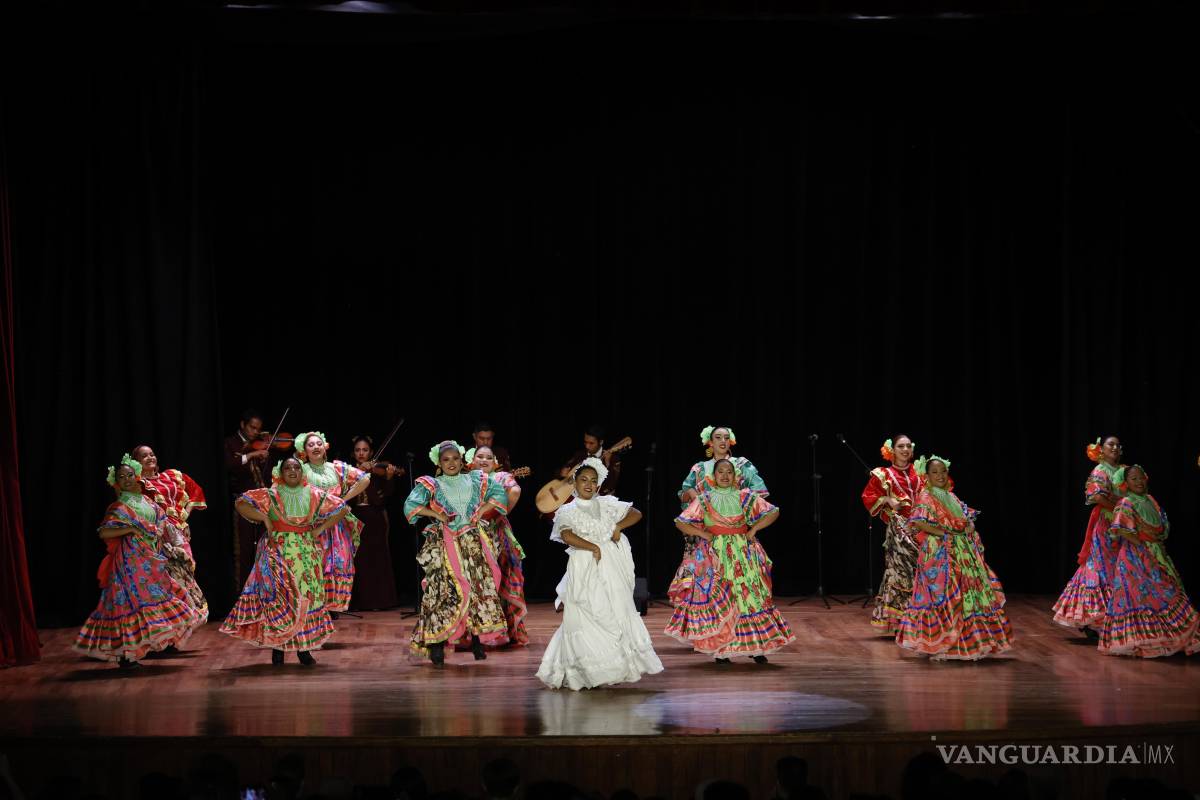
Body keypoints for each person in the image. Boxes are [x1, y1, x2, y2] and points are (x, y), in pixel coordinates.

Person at [536, 457, 663, 689]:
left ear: (598, 484)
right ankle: (585, 671)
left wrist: (618, 526)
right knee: (588, 613)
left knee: (615, 611)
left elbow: (636, 513)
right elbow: (566, 535)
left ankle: (613, 668)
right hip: (585, 564)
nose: (588, 484)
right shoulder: (567, 510)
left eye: (593, 481)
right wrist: (591, 546)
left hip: (611, 565)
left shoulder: (607, 503)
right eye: (583, 480)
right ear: (574, 483)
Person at [74, 454, 202, 668]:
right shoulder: (119, 506)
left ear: (137, 476)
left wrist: (172, 542)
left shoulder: (147, 500)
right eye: (121, 477)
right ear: (117, 481)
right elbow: (104, 532)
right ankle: (126, 655)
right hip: (129, 564)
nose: (126, 479)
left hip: (152, 560)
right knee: (130, 605)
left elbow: (163, 522)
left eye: (130, 475)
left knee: (154, 601)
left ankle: (144, 647)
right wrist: (132, 528)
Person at [220, 456, 349, 665]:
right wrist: (264, 518)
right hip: (278, 552)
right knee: (281, 598)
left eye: (296, 467)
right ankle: (278, 647)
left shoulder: (314, 494)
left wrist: (321, 528)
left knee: (306, 596)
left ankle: (303, 649)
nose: (292, 471)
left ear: (302, 472)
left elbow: (342, 508)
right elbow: (241, 503)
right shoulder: (271, 495)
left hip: (306, 553)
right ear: (280, 472)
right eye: (287, 467)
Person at [666, 458, 793, 662]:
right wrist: (705, 535)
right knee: (722, 598)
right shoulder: (705, 498)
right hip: (716, 554)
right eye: (720, 472)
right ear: (713, 476)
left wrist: (754, 529)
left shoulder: (745, 496)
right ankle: (723, 648)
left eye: (729, 472)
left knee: (751, 597)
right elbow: (681, 522)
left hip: (743, 553)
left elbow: (773, 512)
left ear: (736, 476)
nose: (725, 476)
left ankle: (756, 647)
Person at [894, 455, 1013, 661]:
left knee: (968, 595)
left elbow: (965, 519)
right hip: (940, 553)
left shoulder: (951, 497)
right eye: (935, 472)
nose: (940, 476)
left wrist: (968, 527)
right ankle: (942, 643)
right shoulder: (926, 497)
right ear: (927, 476)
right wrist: (945, 535)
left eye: (943, 471)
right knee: (946, 595)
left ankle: (967, 642)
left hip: (961, 551)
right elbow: (920, 523)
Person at [404, 440, 510, 664]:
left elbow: (499, 494)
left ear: (462, 460)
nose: (451, 463)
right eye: (446, 459)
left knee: (476, 588)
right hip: (446, 543)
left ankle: (476, 640)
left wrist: (482, 509)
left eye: (455, 458)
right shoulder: (432, 484)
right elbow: (410, 506)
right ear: (439, 463)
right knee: (444, 592)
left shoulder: (475, 478)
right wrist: (437, 515)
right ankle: (437, 644)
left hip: (473, 543)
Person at [1099, 465, 1200, 657]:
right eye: (1133, 479)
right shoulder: (1126, 502)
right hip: (1135, 557)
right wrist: (1143, 546)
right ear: (1125, 483)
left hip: (1156, 551)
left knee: (1167, 591)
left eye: (1141, 478)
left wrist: (1156, 544)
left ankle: (1169, 637)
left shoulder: (1150, 500)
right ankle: (1141, 640)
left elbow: (1162, 524)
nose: (1138, 482)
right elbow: (1121, 528)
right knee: (1143, 595)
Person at [1052, 435, 1125, 634]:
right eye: (1111, 444)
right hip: (1107, 523)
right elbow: (1097, 496)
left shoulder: (1123, 471)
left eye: (1119, 445)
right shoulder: (1100, 470)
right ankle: (1093, 617)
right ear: (1101, 449)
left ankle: (1111, 617)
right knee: (1101, 566)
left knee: (1118, 566)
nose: (1116, 447)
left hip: (1123, 525)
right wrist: (1121, 509)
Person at [133, 444, 208, 624]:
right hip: (158, 537)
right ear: (137, 463)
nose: (150, 457)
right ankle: (169, 624)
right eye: (144, 456)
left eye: (152, 454)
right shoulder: (137, 484)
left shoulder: (171, 476)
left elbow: (196, 490)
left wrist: (186, 512)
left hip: (179, 534)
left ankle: (185, 619)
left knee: (185, 572)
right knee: (167, 578)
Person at [295, 431, 369, 612]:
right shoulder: (301, 470)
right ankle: (314, 608)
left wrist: (343, 498)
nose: (315, 447)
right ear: (304, 451)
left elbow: (364, 478)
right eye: (310, 445)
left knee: (338, 563)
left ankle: (330, 607)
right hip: (313, 525)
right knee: (314, 567)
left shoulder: (336, 467)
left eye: (318, 443)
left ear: (325, 446)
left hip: (336, 524)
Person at [861, 434, 924, 634]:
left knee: (922, 572)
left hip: (922, 529)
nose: (905, 450)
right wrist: (887, 501)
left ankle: (921, 619)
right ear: (892, 450)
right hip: (899, 531)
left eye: (908, 446)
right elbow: (868, 497)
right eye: (900, 446)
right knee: (901, 573)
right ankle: (902, 621)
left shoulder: (920, 472)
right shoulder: (884, 474)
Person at [468, 445, 529, 646]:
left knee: (495, 579)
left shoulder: (501, 477)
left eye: (488, 457)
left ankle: (499, 632)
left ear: (495, 462)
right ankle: (472, 633)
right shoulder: (465, 478)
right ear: (472, 460)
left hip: (495, 535)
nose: (484, 460)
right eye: (480, 456)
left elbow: (515, 491)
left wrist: (498, 514)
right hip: (469, 535)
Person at [224, 409, 276, 586]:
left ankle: (262, 589)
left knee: (263, 547)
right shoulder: (231, 443)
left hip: (262, 504)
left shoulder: (260, 445)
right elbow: (230, 464)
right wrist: (253, 455)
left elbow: (265, 475)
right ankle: (242, 593)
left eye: (258, 429)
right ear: (243, 425)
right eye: (252, 428)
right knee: (243, 549)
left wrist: (263, 459)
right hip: (242, 503)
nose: (255, 432)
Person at [349, 435, 400, 611]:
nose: (361, 453)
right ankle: (359, 602)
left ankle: (380, 601)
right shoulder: (348, 471)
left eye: (365, 450)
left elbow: (385, 496)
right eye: (358, 450)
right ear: (353, 453)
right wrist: (359, 473)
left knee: (377, 559)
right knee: (358, 560)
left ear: (371, 452)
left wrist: (389, 477)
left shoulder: (376, 471)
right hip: (354, 518)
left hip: (375, 517)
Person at [557, 424, 624, 496]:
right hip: (579, 496)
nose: (587, 446)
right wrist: (562, 473)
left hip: (602, 498)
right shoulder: (580, 455)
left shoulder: (613, 459)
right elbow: (564, 469)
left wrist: (608, 464)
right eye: (585, 442)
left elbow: (612, 484)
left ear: (601, 442)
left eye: (591, 443)